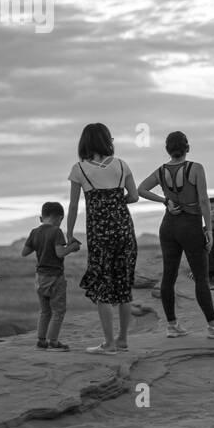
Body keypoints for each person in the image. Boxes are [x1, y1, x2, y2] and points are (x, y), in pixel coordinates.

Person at [137, 132, 214, 340]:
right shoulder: (195, 168)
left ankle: (172, 326)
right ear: (187, 148)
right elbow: (203, 201)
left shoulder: (162, 170)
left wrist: (165, 200)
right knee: (201, 278)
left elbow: (141, 190)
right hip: (190, 227)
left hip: (168, 227)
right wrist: (208, 229)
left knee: (168, 277)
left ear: (167, 150)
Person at [66, 123, 140, 355]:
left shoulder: (79, 169)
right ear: (107, 140)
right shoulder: (121, 165)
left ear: (85, 142)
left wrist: (69, 234)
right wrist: (117, 203)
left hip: (100, 233)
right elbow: (135, 196)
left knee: (103, 288)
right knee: (123, 285)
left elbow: (74, 205)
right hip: (125, 230)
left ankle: (108, 344)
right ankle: (123, 340)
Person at [22, 200, 80, 351]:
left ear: (41, 218)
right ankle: (53, 342)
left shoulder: (34, 232)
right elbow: (60, 253)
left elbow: (24, 252)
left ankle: (41, 341)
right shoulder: (56, 231)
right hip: (55, 278)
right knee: (58, 311)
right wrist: (72, 247)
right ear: (60, 218)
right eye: (61, 221)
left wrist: (39, 245)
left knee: (45, 310)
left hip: (40, 278)